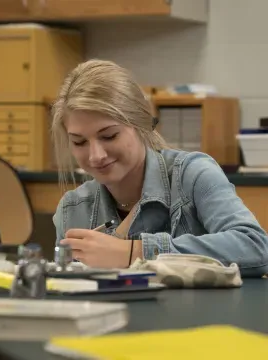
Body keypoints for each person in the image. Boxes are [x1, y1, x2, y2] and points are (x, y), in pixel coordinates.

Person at [51, 59, 268, 277]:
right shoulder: (73, 210)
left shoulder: (193, 175)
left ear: (141, 124)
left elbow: (256, 247)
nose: (96, 155)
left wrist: (135, 253)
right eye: (79, 142)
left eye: (109, 136)